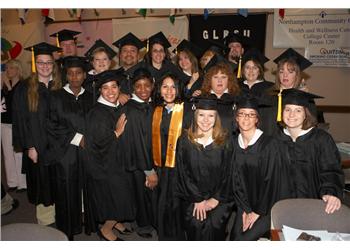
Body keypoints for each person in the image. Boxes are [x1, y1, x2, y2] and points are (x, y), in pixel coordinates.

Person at [12, 42, 62, 226]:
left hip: (58, 145)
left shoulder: (59, 85)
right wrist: (30, 146)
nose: (45, 66)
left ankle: (60, 213)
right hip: (38, 145)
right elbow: (21, 120)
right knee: (42, 181)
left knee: (58, 179)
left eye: (48, 62)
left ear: (53, 64)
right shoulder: (25, 88)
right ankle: (46, 220)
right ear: (35, 64)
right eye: (40, 62)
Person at [85, 70, 136, 241]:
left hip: (116, 161)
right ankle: (106, 229)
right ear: (99, 90)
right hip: (104, 166)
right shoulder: (97, 113)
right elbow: (96, 143)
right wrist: (116, 133)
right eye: (105, 88)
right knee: (118, 197)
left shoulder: (114, 106)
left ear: (119, 88)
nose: (111, 91)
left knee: (121, 194)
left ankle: (116, 222)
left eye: (114, 87)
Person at [229, 95, 288, 241]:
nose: (246, 118)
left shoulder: (269, 145)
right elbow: (235, 180)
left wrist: (256, 212)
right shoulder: (233, 144)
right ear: (236, 118)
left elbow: (272, 182)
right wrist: (245, 209)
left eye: (251, 115)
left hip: (267, 207)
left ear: (257, 119)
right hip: (244, 205)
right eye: (242, 114)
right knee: (235, 238)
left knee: (244, 240)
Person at [276, 88, 344, 214]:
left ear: (306, 113)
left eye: (298, 110)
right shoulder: (275, 140)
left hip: (315, 205)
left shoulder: (321, 139)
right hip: (282, 206)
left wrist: (330, 192)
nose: (291, 115)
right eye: (288, 109)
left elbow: (331, 170)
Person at [47, 56, 93, 240]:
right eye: (70, 73)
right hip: (65, 152)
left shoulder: (91, 97)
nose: (74, 77)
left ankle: (89, 223)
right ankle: (67, 230)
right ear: (66, 75)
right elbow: (50, 123)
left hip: (87, 152)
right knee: (66, 190)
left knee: (89, 187)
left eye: (78, 73)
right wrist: (76, 138)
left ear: (84, 76)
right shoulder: (55, 96)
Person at [175, 96, 233, 240]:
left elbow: (229, 172)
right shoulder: (185, 140)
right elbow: (182, 173)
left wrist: (216, 198)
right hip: (192, 196)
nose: (206, 120)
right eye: (201, 115)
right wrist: (198, 199)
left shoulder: (225, 141)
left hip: (219, 198)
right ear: (195, 116)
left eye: (210, 115)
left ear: (216, 117)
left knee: (214, 226)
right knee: (195, 224)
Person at [118, 67, 157, 238]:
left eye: (147, 85)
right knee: (142, 195)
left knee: (148, 195)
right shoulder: (132, 109)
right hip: (139, 162)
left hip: (149, 159)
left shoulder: (150, 105)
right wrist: (149, 171)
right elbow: (137, 143)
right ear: (133, 87)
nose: (143, 90)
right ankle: (143, 226)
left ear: (153, 86)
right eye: (138, 86)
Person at [151, 73, 185, 240]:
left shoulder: (186, 111)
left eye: (173, 87)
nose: (169, 91)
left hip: (180, 168)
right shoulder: (155, 111)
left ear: (178, 89)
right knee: (162, 202)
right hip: (161, 166)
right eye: (165, 86)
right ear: (159, 89)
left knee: (177, 203)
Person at [264, 48, 314, 136]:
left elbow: (311, 124)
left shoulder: (305, 98)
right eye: (281, 71)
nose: (285, 75)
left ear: (297, 75)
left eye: (290, 72)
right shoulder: (268, 95)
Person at [1, 59, 27, 192]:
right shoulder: (5, 85)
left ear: (17, 69)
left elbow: (15, 105)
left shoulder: (23, 85)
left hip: (18, 123)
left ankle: (22, 183)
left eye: (10, 68)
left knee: (18, 153)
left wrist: (9, 88)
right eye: (6, 68)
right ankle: (12, 182)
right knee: (7, 153)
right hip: (4, 122)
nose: (7, 71)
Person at [194, 62, 240, 135]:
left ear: (229, 80)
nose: (219, 80)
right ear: (209, 80)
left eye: (223, 77)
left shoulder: (237, 99)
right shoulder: (201, 98)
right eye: (215, 77)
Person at [239, 48, 275, 134]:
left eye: (254, 68)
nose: (251, 71)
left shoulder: (270, 88)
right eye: (247, 67)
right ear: (243, 70)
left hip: (264, 131)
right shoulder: (236, 87)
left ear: (259, 70)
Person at [112, 32, 145, 104]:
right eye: (125, 50)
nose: (129, 54)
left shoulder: (146, 74)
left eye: (132, 50)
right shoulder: (112, 76)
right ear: (120, 55)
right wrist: (117, 95)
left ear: (138, 55)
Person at [84, 39, 117, 104]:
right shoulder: (85, 80)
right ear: (92, 62)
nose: (101, 62)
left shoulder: (117, 77)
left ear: (110, 62)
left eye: (104, 59)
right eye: (97, 59)